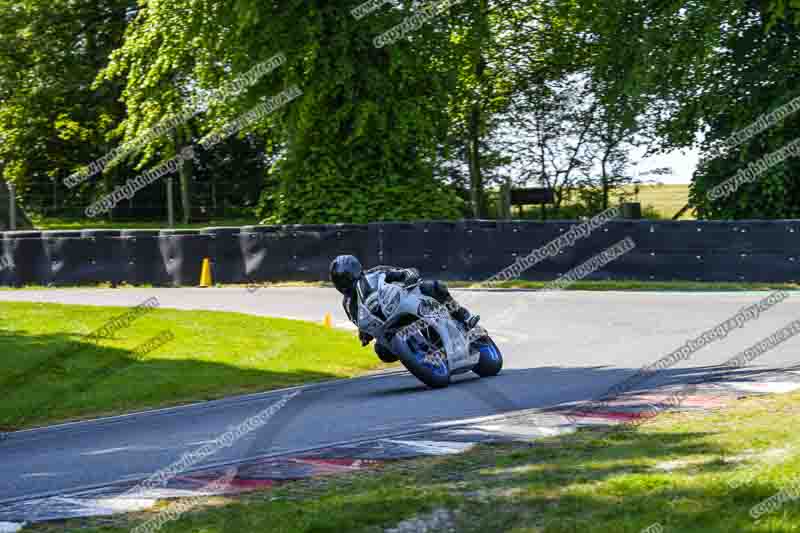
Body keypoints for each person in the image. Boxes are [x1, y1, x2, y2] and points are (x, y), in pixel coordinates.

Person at [329, 255, 480, 359]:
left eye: (346, 278)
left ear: (356, 271)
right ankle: (417, 357)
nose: (344, 283)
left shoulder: (376, 272)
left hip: (405, 300)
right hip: (387, 325)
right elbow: (360, 322)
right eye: (340, 281)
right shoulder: (348, 304)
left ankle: (463, 316)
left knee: (433, 287)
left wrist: (409, 278)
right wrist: (364, 334)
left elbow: (405, 272)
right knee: (382, 351)